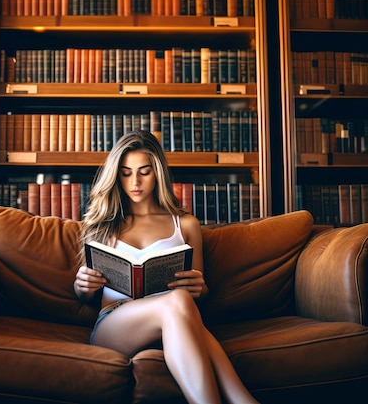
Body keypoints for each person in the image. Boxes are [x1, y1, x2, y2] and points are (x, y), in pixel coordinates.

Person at [73, 130, 259, 404]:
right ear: (116, 175)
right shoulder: (102, 224)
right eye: (125, 173)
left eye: (144, 172)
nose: (134, 182)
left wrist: (199, 287)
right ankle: (239, 398)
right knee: (177, 303)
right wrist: (82, 286)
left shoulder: (185, 225)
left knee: (180, 300)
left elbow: (197, 293)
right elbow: (86, 296)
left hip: (175, 317)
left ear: (157, 172)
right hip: (115, 325)